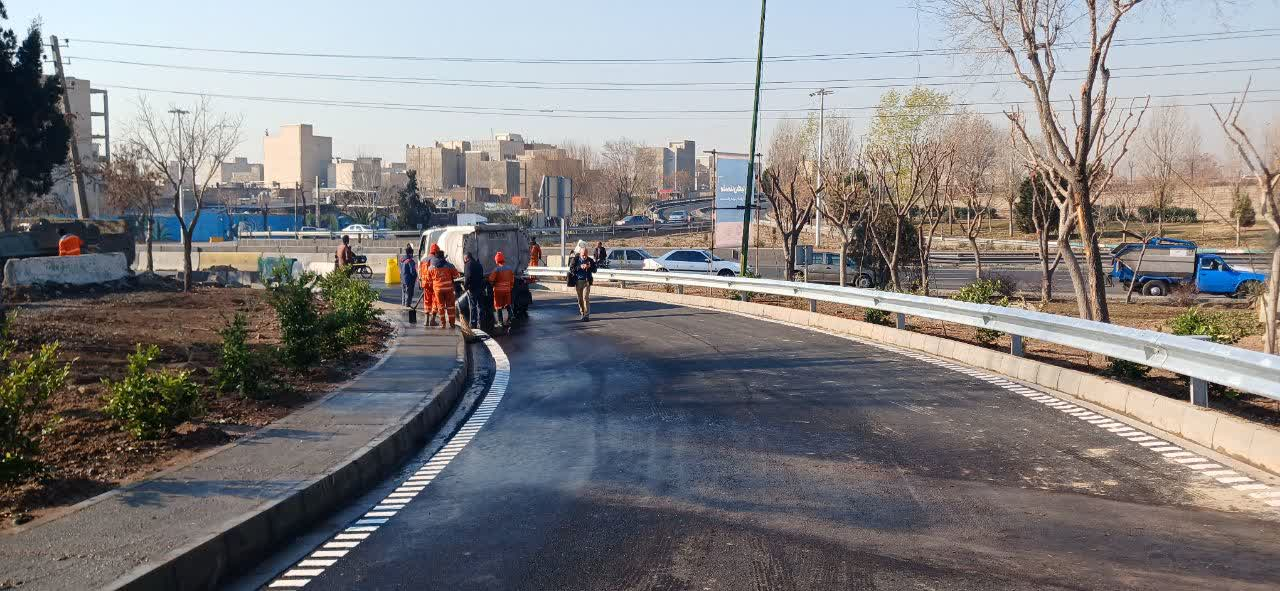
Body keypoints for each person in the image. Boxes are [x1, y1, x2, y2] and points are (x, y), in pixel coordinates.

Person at [425, 244, 460, 329]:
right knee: (450, 306)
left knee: (440, 306)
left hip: (438, 290)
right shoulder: (449, 265)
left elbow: (428, 279)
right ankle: (452, 323)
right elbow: (456, 276)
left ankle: (443, 324)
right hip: (448, 289)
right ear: (443, 256)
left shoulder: (431, 267)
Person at [567, 244, 597, 321]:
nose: (584, 256)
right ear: (580, 254)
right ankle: (582, 313)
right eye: (583, 255)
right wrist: (580, 267)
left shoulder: (590, 260)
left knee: (585, 298)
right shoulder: (576, 260)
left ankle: (586, 315)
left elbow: (595, 270)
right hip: (578, 281)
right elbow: (571, 269)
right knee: (580, 299)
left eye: (586, 255)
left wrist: (589, 267)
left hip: (587, 281)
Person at [488, 251, 515, 327]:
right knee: (507, 303)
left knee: (498, 306)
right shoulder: (509, 268)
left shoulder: (496, 270)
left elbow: (491, 279)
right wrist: (511, 287)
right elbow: (512, 279)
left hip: (498, 291)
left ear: (496, 260)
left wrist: (492, 284)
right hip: (507, 290)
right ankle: (511, 315)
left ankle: (500, 322)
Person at [463, 252, 487, 329]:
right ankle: (482, 322)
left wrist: (465, 286)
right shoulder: (479, 264)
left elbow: (468, 276)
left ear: (466, 258)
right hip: (480, 287)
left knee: (473, 306)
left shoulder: (468, 265)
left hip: (472, 288)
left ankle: (473, 323)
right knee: (480, 305)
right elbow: (481, 275)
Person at [418, 254, 437, 327]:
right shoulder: (435, 260)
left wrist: (421, 281)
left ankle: (426, 320)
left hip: (425, 284)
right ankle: (433, 320)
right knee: (434, 302)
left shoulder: (423, 260)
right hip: (433, 284)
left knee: (427, 302)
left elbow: (419, 271)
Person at [399, 245, 417, 309]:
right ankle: (407, 306)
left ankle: (403, 304)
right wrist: (416, 275)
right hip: (409, 280)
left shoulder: (402, 260)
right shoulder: (410, 261)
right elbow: (413, 272)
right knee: (408, 294)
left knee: (403, 293)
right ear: (410, 253)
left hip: (403, 279)